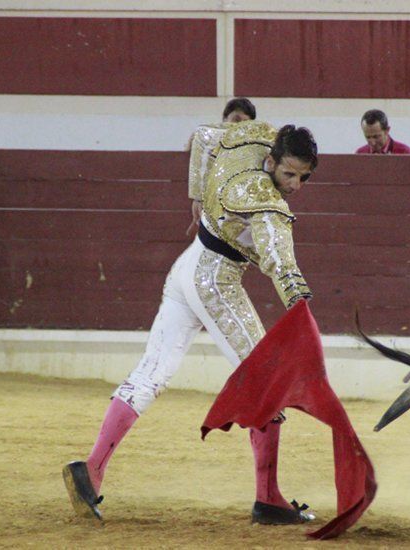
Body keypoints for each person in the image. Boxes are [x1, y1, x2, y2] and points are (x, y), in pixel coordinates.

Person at [63, 120, 319, 526]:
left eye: (303, 177)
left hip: (187, 267)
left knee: (150, 374)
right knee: (268, 381)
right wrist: (299, 303)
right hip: (215, 280)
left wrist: (197, 197)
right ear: (271, 159)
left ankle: (90, 470)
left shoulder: (249, 137)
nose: (295, 185)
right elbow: (279, 260)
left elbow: (203, 136)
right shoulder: (265, 200)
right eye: (289, 173)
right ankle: (268, 499)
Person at [185, 97, 257, 235]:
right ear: (224, 119)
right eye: (236, 120)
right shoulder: (207, 138)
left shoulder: (253, 145)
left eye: (245, 123)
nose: (238, 126)